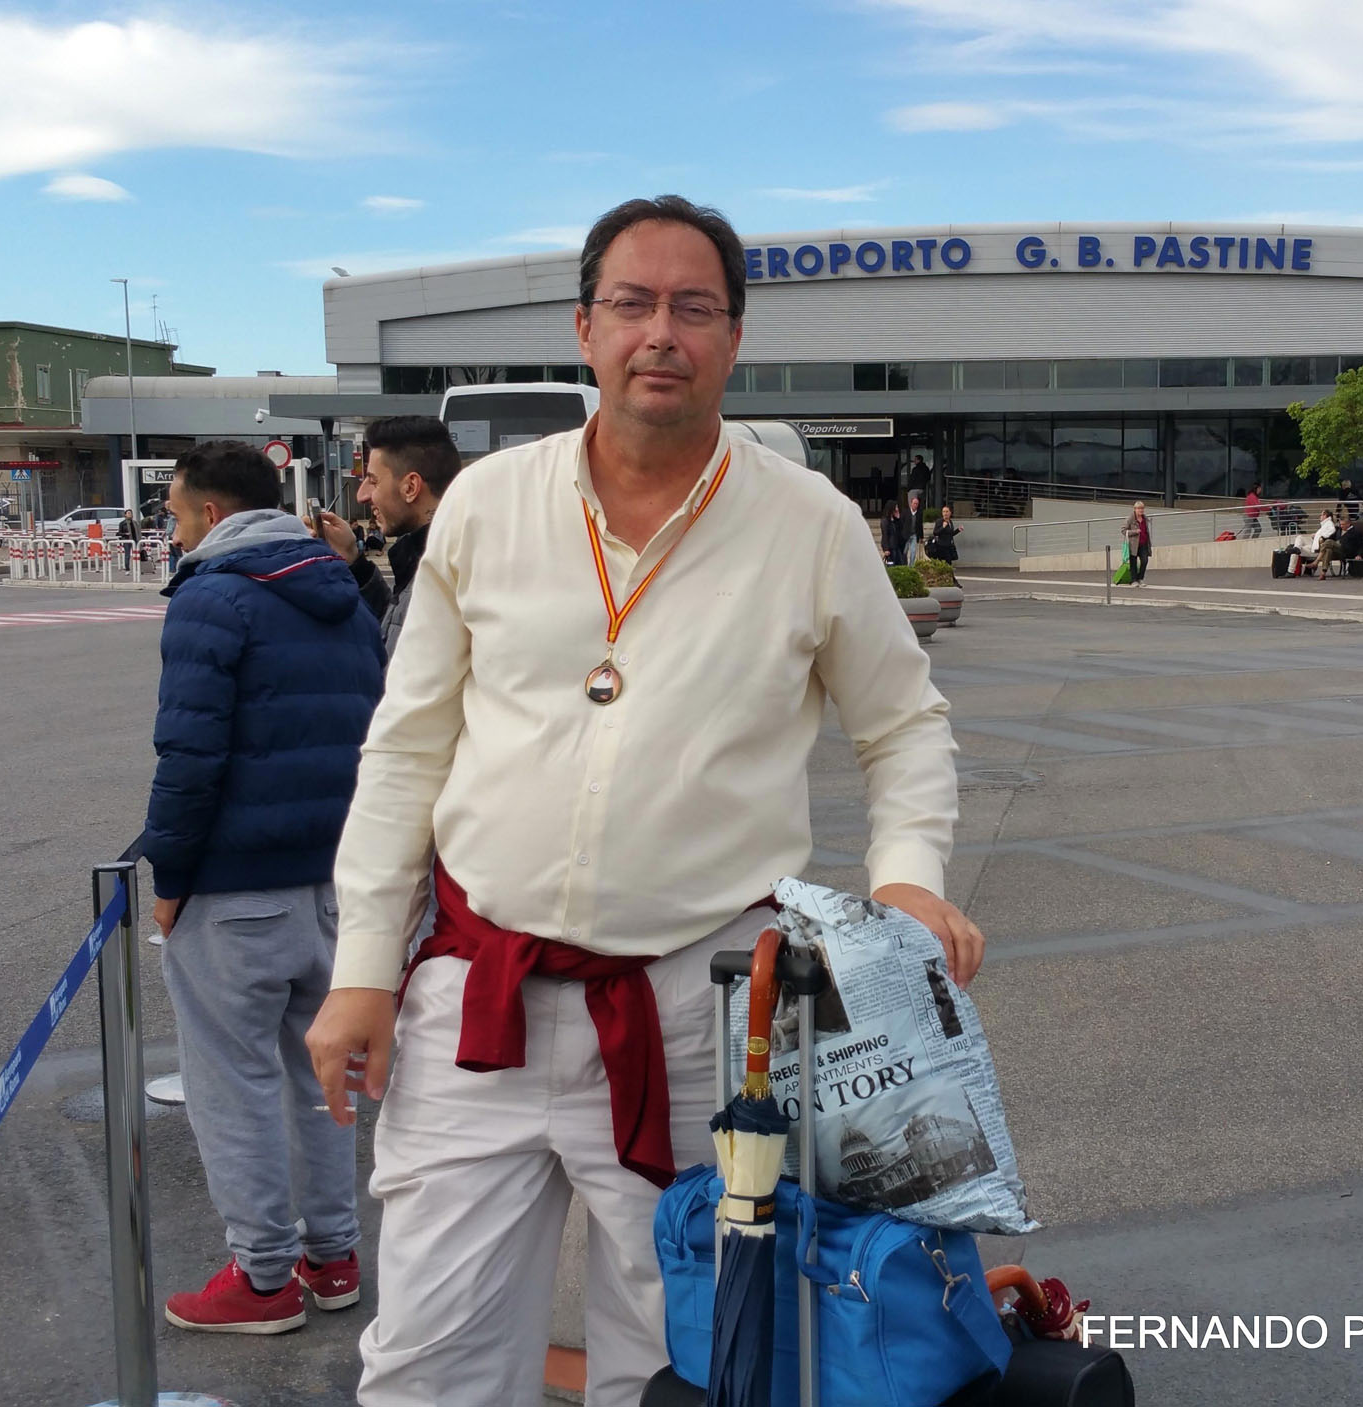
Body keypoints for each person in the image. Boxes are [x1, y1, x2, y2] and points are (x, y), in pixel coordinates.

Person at [306, 195, 976, 1407]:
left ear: (733, 339)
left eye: (693, 307)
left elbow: (902, 725)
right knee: (426, 1365)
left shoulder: (810, 525)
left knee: (674, 1363)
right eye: (632, 303)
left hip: (699, 1009)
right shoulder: (488, 505)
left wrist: (907, 879)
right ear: (584, 327)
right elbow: (406, 749)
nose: (660, 331)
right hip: (479, 995)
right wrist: (362, 968)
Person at [144, 441, 386, 1336]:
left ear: (212, 514)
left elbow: (189, 753)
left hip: (238, 885)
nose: (174, 534)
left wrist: (171, 875)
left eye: (176, 516)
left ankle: (262, 1275)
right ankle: (333, 1255)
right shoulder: (340, 591)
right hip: (337, 879)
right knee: (323, 1076)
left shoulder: (210, 597)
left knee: (232, 1082)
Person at [312, 414, 462, 657]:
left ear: (410, 487)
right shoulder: (434, 560)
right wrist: (354, 561)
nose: (361, 495)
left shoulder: (447, 574)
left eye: (373, 481)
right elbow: (398, 628)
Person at [1123, 499, 1152, 583]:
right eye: (1139, 508)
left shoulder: (1145, 519)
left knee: (1145, 561)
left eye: (1142, 508)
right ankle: (1134, 580)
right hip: (1133, 545)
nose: (1141, 510)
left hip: (1143, 543)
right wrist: (1135, 532)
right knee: (1133, 563)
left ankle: (1140, 578)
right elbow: (1123, 530)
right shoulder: (1130, 519)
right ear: (1135, 509)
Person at [1309, 509, 1342, 579]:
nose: (1320, 516)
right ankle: (1323, 573)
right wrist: (1316, 535)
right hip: (1327, 548)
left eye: (1321, 515)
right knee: (1328, 550)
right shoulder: (1325, 525)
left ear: (1325, 516)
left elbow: (1330, 532)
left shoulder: (1329, 524)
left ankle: (1316, 562)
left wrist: (1321, 537)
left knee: (1328, 542)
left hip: (1337, 548)